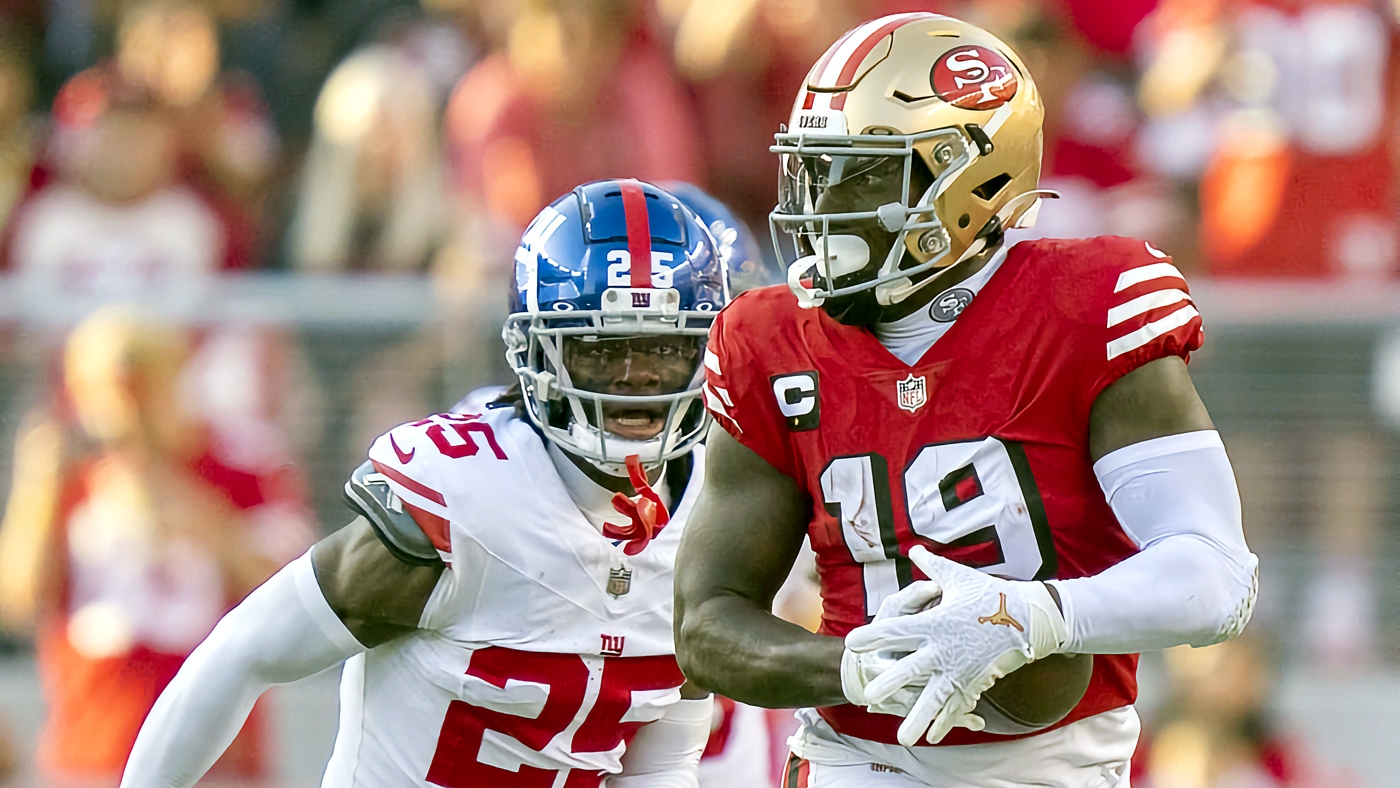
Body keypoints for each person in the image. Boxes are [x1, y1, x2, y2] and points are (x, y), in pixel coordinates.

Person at [673, 13, 1258, 788]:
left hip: (1051, 764)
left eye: (863, 174)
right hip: (856, 758)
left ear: (972, 183)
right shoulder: (770, 339)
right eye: (816, 170)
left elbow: (1217, 576)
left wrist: (1035, 620)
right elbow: (707, 624)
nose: (824, 204)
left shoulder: (1086, 305)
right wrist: (863, 670)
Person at [120, 179, 730, 788]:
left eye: (666, 351)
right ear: (538, 351)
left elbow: (662, 762)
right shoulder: (465, 501)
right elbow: (243, 653)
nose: (637, 379)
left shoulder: (712, 515)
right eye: (603, 350)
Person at [0, 309, 285, 786]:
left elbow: (287, 588)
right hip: (92, 749)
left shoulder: (240, 467)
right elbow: (19, 602)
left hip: (216, 754)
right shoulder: (66, 478)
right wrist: (38, 488)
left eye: (141, 383)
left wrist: (179, 496)